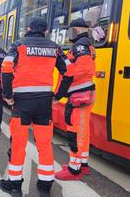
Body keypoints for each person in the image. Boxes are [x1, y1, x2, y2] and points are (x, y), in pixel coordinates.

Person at [0, 18, 68, 196]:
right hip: (44, 103)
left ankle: (14, 186)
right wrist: (58, 95)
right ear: (45, 31)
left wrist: (8, 96)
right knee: (45, 144)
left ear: (28, 29)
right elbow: (68, 72)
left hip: (22, 104)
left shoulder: (18, 45)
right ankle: (45, 187)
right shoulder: (54, 47)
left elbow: (6, 69)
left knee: (18, 144)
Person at [54, 18, 96, 181]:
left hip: (80, 95)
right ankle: (83, 163)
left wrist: (67, 70)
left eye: (71, 29)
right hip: (86, 94)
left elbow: (84, 67)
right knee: (83, 131)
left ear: (77, 29)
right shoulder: (87, 44)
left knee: (75, 132)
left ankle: (74, 168)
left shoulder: (79, 46)